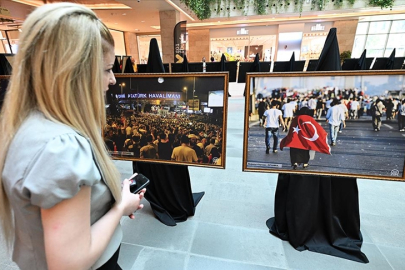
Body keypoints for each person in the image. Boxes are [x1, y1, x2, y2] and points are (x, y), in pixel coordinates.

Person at [0, 3, 145, 270]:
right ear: (75, 74)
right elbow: (69, 263)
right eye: (106, 69)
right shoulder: (61, 147)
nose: (112, 80)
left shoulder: (25, 124)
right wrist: (120, 208)